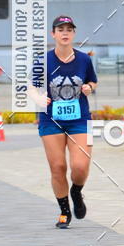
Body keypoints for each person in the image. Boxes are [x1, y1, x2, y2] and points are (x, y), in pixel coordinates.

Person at [37, 16, 98, 229]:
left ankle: (76, 191)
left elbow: (92, 80)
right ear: (53, 34)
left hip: (80, 119)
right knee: (58, 167)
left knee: (80, 167)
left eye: (69, 29)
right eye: (60, 29)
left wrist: (90, 87)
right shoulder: (42, 61)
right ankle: (64, 211)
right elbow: (28, 88)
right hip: (50, 120)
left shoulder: (84, 60)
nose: (65, 33)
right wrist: (37, 97)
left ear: (73, 34)